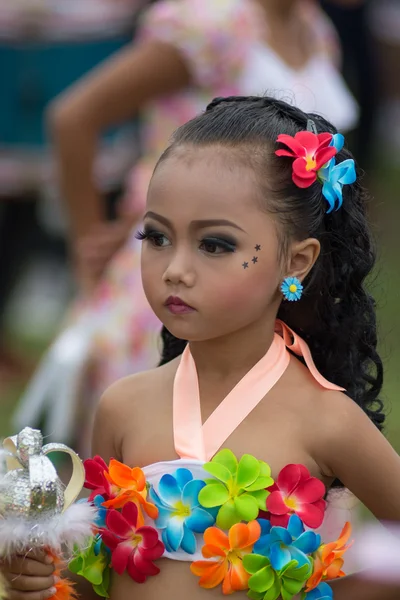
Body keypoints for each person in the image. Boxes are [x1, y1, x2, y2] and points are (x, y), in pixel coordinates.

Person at [3, 96, 400, 599]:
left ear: (296, 262)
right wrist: (37, 581)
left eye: (215, 244)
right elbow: (95, 577)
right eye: (156, 237)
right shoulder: (122, 406)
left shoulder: (327, 419)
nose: (175, 269)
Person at [47, 0, 358, 400]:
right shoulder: (211, 23)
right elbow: (74, 117)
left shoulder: (315, 30)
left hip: (268, 286)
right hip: (184, 282)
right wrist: (88, 258)